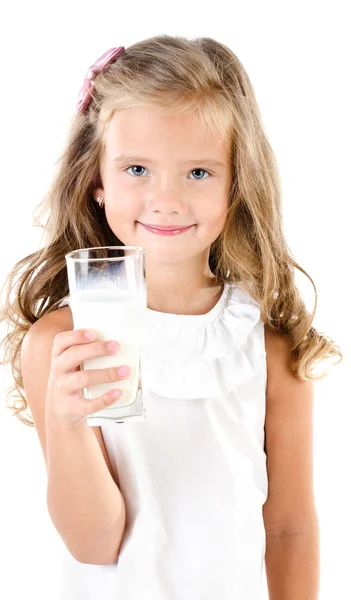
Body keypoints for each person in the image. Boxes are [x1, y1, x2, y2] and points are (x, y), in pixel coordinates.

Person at [0, 35, 342, 599]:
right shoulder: (63, 343)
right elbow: (95, 544)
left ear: (237, 184)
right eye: (137, 168)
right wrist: (67, 426)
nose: (167, 199)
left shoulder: (268, 348)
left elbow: (289, 528)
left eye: (199, 173)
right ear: (97, 182)